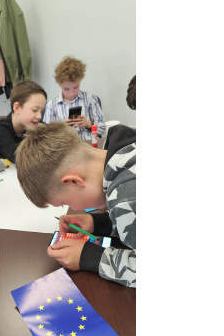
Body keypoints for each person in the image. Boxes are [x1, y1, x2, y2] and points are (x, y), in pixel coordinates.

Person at [15, 121, 136, 287]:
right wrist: (97, 223)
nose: (71, 207)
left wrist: (88, 256)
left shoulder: (126, 196)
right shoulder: (123, 146)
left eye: (64, 202)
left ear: (73, 181)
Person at [41, 56, 105, 142]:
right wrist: (62, 127)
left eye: (75, 87)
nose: (71, 93)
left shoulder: (90, 99)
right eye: (66, 89)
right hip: (66, 145)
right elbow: (46, 136)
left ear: (80, 81)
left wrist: (88, 124)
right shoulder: (51, 105)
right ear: (59, 84)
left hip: (89, 143)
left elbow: (102, 129)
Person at [0, 80, 47, 163]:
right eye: (34, 110)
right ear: (17, 108)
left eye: (41, 111)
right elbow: (19, 158)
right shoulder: (1, 130)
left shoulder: (33, 124)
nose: (39, 116)